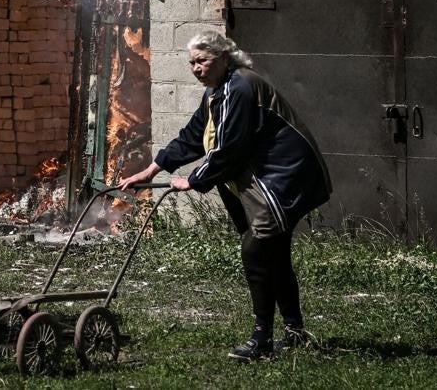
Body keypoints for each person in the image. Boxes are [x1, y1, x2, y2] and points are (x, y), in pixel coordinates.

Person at [117, 30, 332, 361]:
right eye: (191, 63)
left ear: (223, 58)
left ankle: (262, 339)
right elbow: (192, 136)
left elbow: (229, 148)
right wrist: (150, 171)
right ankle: (294, 331)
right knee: (273, 253)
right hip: (265, 179)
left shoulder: (240, 88)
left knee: (256, 250)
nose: (196, 69)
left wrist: (193, 180)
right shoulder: (218, 91)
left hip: (283, 177)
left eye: (202, 61)